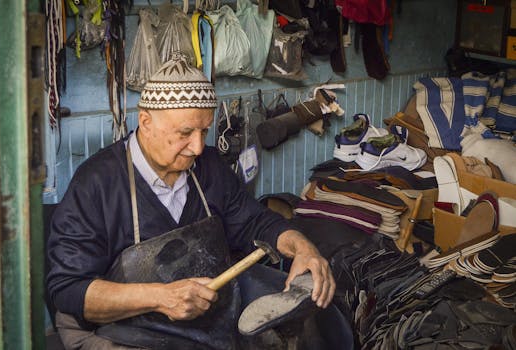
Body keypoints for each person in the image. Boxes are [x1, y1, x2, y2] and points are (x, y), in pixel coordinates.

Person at [46, 54, 336, 349]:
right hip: (115, 330)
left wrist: (302, 246)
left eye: (204, 131)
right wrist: (161, 297)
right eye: (185, 133)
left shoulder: (209, 166)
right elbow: (69, 290)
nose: (198, 147)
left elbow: (255, 222)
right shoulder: (96, 183)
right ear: (145, 122)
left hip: (201, 321)